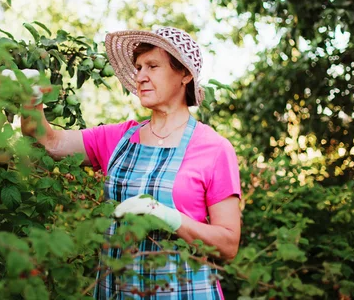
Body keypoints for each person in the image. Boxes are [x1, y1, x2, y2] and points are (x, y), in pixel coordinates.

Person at [21, 26, 242, 299]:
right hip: (117, 291)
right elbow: (48, 142)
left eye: (152, 66)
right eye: (138, 67)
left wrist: (171, 218)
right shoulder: (117, 138)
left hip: (184, 291)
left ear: (184, 74)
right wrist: (30, 99)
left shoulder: (214, 149)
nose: (141, 76)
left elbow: (229, 245)